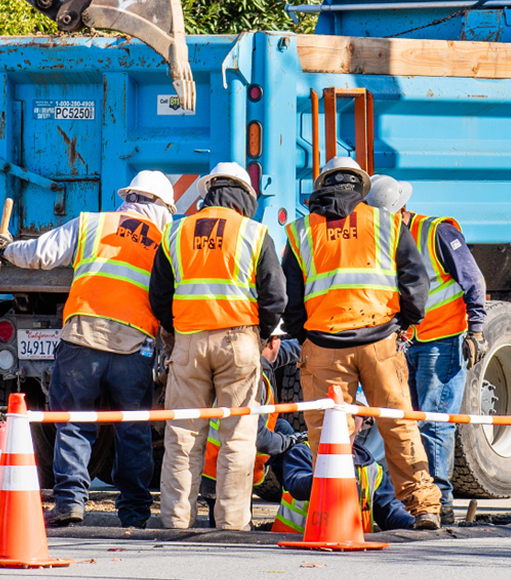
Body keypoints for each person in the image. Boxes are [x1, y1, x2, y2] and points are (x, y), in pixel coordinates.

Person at [0, 170, 176, 529]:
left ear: (129, 197)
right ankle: (134, 511)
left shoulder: (92, 223)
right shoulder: (166, 239)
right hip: (133, 347)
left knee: (73, 422)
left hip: (82, 341)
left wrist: (5, 249)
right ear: (163, 206)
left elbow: (41, 253)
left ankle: (70, 502)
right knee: (132, 428)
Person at [281, 156, 443, 529]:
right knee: (398, 424)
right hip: (380, 342)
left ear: (324, 184)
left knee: (328, 435)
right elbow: (416, 280)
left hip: (323, 345)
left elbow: (290, 297)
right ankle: (424, 507)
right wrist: (405, 320)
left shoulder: (300, 231)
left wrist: (303, 333)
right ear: (361, 187)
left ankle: (339, 511)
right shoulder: (386, 223)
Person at [149, 162, 286, 531]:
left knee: (182, 434)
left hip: (189, 341)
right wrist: (261, 334)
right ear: (245, 197)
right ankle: (232, 523)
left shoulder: (175, 233)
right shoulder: (254, 233)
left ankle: (176, 519)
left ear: (207, 193)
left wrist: (175, 332)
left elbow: (159, 295)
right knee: (238, 435)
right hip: (239, 339)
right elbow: (275, 295)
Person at [367, 175, 487, 525]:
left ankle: (440, 502)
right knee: (406, 423)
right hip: (408, 343)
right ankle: (413, 500)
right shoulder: (382, 238)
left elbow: (472, 279)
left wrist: (476, 330)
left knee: (434, 424)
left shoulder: (436, 233)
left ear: (401, 210)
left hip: (442, 342)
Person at [200, 328, 303, 526]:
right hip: (229, 472)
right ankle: (294, 509)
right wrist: (289, 442)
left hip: (211, 466)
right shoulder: (255, 381)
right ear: (273, 343)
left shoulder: (231, 362)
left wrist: (312, 342)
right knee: (231, 532)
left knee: (282, 426)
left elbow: (283, 352)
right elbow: (260, 438)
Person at [272, 413, 415, 534]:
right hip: (296, 549)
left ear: (361, 425)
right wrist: (331, 477)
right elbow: (297, 484)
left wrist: (411, 524)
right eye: (341, 413)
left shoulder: (371, 469)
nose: (345, 418)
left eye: (353, 414)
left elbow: (390, 510)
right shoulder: (303, 452)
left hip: (352, 555)